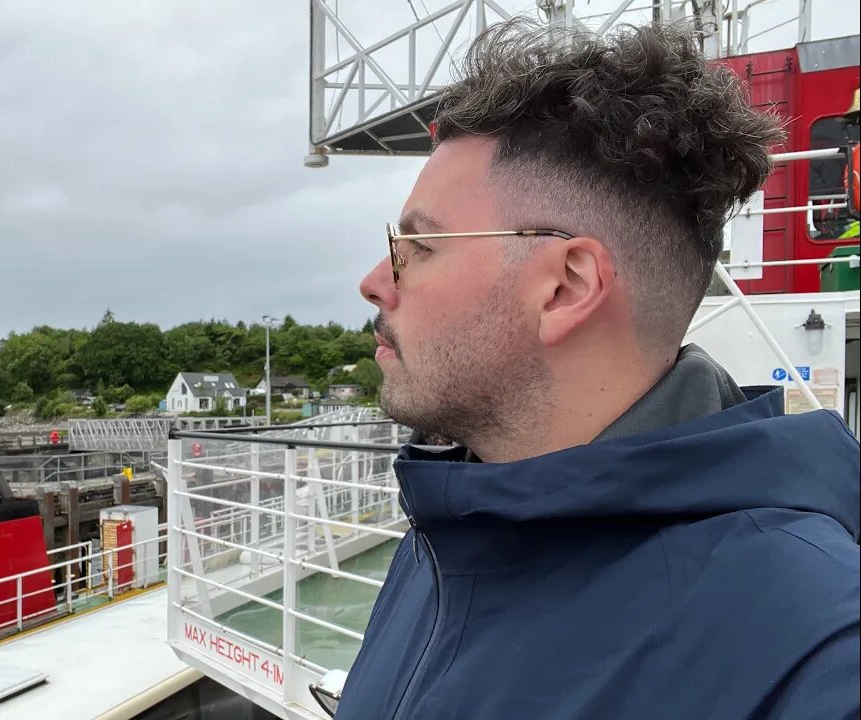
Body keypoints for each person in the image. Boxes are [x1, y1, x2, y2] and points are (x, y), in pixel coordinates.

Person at [336, 18, 860, 720]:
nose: (375, 281)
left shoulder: (817, 654)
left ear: (566, 287)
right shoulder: (442, 540)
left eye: (419, 247)